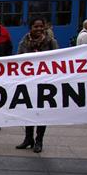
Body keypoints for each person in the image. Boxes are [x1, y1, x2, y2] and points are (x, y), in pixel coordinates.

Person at [15, 17, 59, 153]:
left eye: (41, 26)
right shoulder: (24, 42)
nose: (39, 29)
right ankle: (28, 138)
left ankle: (39, 140)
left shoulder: (51, 42)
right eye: (36, 26)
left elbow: (57, 59)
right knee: (28, 111)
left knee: (41, 112)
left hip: (45, 83)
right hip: (29, 82)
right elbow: (18, 60)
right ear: (31, 28)